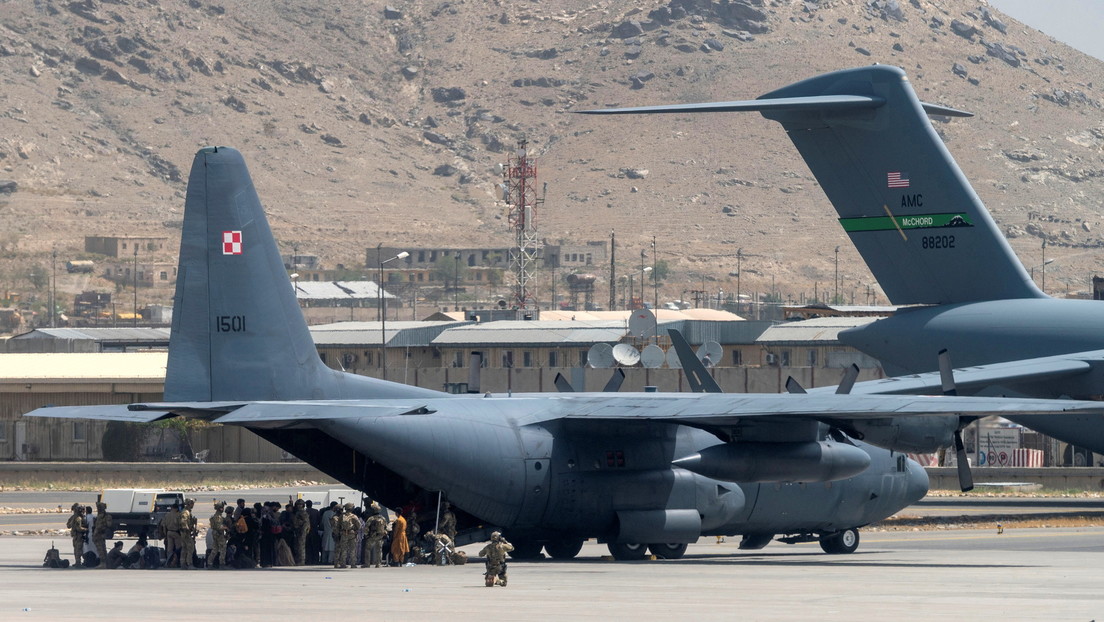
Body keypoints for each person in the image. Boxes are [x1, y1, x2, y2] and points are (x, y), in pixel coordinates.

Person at [362, 502, 387, 568]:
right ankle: (378, 564)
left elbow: (366, 527)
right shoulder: (383, 518)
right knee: (379, 550)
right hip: (380, 536)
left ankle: (367, 564)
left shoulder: (371, 518)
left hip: (372, 536)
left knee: (367, 549)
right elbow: (386, 527)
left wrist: (366, 535)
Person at [338, 502, 361, 569]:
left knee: (343, 549)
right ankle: (353, 564)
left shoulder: (342, 516)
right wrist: (355, 530)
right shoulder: (354, 516)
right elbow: (359, 526)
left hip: (343, 534)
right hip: (352, 534)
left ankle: (343, 564)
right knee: (353, 549)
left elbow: (338, 525)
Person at [91, 501, 113, 568]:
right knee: (101, 549)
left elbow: (109, 525)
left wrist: (102, 527)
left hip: (100, 534)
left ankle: (103, 563)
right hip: (97, 535)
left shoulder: (105, 516)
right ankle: (104, 563)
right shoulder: (100, 516)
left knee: (101, 549)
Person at [160, 502, 182, 568]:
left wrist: (165, 534)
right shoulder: (178, 515)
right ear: (177, 508)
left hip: (169, 533)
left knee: (169, 549)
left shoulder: (167, 515)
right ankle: (177, 562)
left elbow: (163, 525)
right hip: (176, 533)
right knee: (178, 548)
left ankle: (168, 562)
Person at [209, 501, 229, 569]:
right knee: (223, 548)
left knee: (215, 549)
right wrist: (226, 528)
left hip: (216, 534)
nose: (223, 509)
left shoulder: (218, 516)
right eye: (222, 508)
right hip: (219, 534)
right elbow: (218, 527)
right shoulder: (218, 517)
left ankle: (210, 563)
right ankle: (222, 564)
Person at [179, 498, 198, 569]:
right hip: (185, 533)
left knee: (184, 548)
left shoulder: (187, 512)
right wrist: (187, 530)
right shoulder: (185, 512)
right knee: (190, 548)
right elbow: (183, 522)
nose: (193, 505)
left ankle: (183, 563)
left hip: (185, 532)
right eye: (192, 503)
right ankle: (189, 563)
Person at [292, 499, 310, 566]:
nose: (299, 506)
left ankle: (301, 561)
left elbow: (306, 522)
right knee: (297, 546)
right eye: (298, 505)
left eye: (300, 505)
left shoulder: (303, 512)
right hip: (297, 531)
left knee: (301, 547)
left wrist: (303, 531)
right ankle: (298, 560)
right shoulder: (298, 512)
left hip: (301, 531)